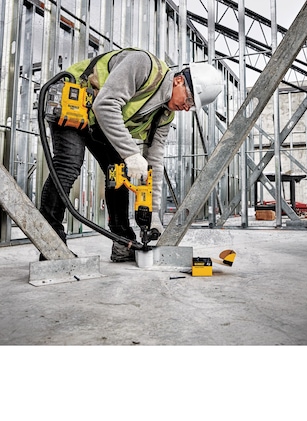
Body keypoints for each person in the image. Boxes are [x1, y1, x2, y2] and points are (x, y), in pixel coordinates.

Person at [39, 47, 223, 261]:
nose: (186, 106)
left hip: (97, 122)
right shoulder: (143, 65)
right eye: (189, 99)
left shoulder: (164, 116)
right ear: (179, 80)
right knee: (69, 162)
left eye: (192, 106)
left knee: (118, 172)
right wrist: (131, 154)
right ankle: (51, 242)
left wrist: (153, 214)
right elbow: (105, 104)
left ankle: (122, 241)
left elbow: (154, 162)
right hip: (73, 98)